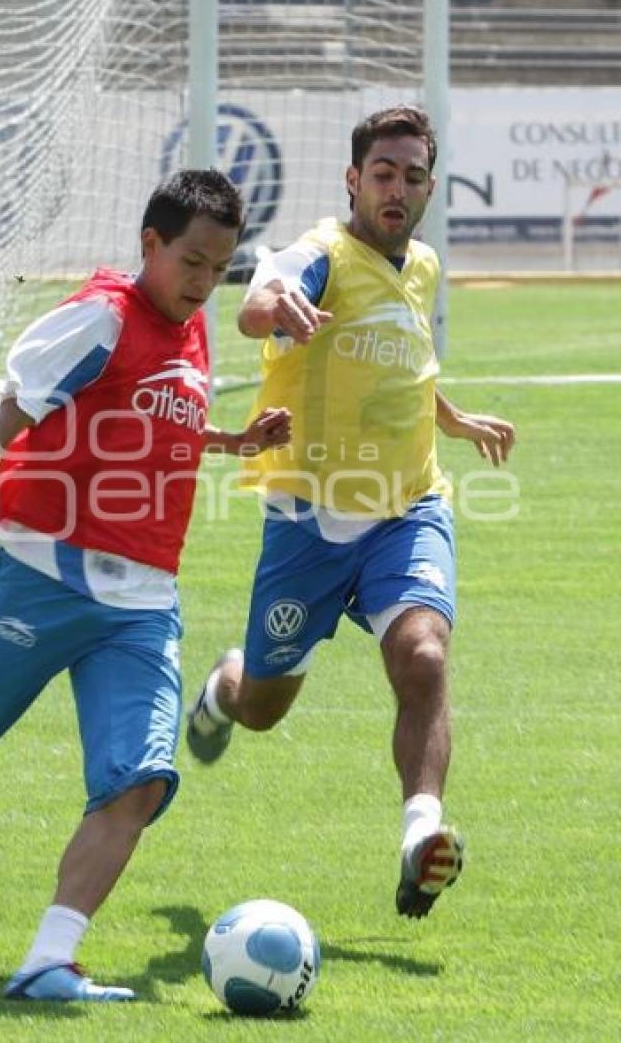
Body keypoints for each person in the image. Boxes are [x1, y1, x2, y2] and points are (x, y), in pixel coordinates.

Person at [0, 168, 290, 1002]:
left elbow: (155, 420)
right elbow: (1, 421)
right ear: (149, 245)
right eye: (191, 261)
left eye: (218, 268)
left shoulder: (192, 330)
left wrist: (233, 439)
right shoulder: (100, 316)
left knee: (141, 780)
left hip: (144, 606)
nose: (202, 284)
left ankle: (49, 960)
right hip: (42, 584)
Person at [186, 106, 516, 920]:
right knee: (264, 708)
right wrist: (273, 307)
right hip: (308, 524)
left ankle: (420, 836)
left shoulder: (424, 265)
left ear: (428, 186)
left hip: (407, 507)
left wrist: (452, 417)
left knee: (425, 659)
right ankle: (224, 689)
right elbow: (262, 297)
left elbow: (401, 356)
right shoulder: (322, 256)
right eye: (382, 173)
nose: (396, 188)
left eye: (411, 175)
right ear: (353, 180)